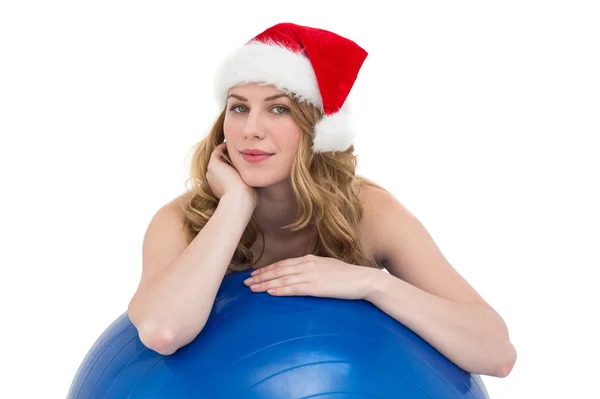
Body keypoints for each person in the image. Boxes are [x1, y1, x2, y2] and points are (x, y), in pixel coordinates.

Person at [127, 22, 517, 378]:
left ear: (319, 129)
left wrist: (371, 285)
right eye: (239, 107)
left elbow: (496, 353)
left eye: (279, 109)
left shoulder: (369, 213)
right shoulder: (180, 220)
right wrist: (233, 206)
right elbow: (163, 331)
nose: (250, 129)